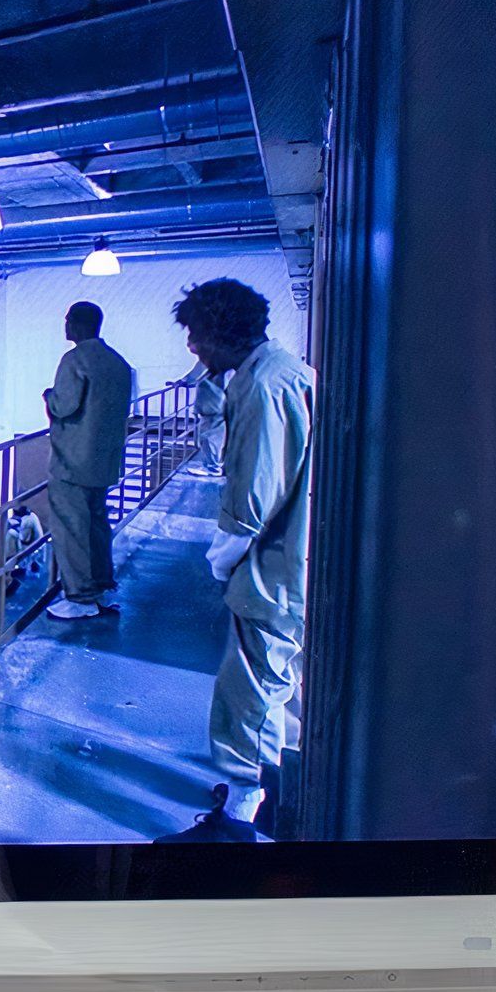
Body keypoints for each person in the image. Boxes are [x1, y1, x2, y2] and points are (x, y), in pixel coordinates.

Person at [174, 277, 314, 829]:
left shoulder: (258, 388)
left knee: (250, 689)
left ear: (222, 332)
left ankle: (239, 815)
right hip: (296, 558)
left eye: (197, 335)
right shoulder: (287, 371)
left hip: (272, 569)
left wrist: (221, 560)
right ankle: (266, 786)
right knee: (278, 684)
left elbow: (250, 498)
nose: (193, 347)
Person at [41, 300, 137, 621]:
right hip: (104, 461)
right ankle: (102, 588)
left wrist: (48, 396)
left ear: (79, 325)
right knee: (97, 525)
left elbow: (64, 405)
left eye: (68, 320)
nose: (65, 325)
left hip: (72, 463)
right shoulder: (118, 363)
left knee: (71, 530)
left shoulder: (75, 360)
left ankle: (81, 597)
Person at [173, 358, 228, 476]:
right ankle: (214, 465)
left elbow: (197, 371)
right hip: (219, 399)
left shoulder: (212, 353)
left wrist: (184, 381)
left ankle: (213, 467)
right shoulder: (228, 355)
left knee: (209, 434)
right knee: (215, 433)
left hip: (212, 401)